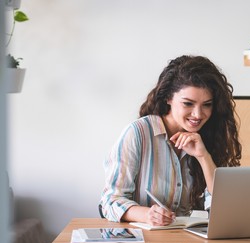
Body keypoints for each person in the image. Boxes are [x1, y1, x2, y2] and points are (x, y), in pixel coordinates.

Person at [99, 55, 241, 226]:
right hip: (142, 242)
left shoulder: (210, 136)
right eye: (188, 104)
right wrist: (148, 215)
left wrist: (203, 157)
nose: (198, 114)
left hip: (186, 239)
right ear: (168, 98)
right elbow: (111, 201)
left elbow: (223, 207)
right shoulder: (138, 133)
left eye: (207, 104)